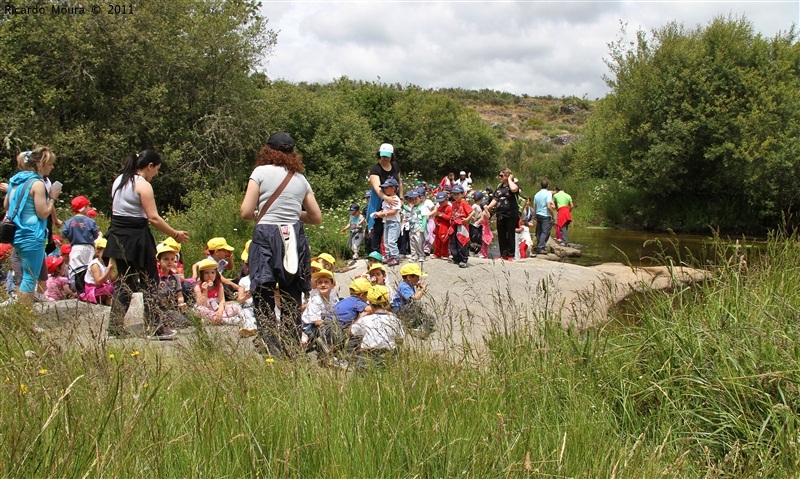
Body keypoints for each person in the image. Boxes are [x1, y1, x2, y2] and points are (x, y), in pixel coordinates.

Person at [239, 132, 322, 357]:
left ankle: (270, 347)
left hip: (266, 234)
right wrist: (293, 213)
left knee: (264, 291)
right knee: (291, 293)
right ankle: (291, 347)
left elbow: (246, 212)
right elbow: (316, 217)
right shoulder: (300, 179)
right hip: (294, 235)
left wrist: (262, 212)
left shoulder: (260, 172)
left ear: (268, 150)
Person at [103, 149, 189, 340]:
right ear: (149, 166)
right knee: (151, 281)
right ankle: (155, 327)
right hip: (137, 237)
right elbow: (153, 218)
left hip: (118, 236)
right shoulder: (142, 185)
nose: (156, 174)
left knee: (126, 283)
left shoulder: (120, 180)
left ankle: (114, 327)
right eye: (156, 169)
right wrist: (175, 234)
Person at [4, 147, 61, 305]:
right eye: (50, 164)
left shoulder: (15, 181)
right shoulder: (37, 184)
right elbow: (43, 213)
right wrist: (52, 198)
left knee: (25, 275)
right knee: (30, 277)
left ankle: (23, 314)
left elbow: (6, 205)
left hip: (17, 232)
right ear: (41, 164)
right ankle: (24, 316)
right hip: (32, 234)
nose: (52, 167)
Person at [351, 285, 405, 368]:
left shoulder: (365, 319)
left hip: (367, 355)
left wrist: (360, 317)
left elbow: (353, 332)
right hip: (388, 356)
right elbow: (400, 339)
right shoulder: (394, 319)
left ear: (370, 303)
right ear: (387, 302)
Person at [366, 143, 402, 255]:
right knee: (378, 227)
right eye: (383, 156)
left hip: (393, 199)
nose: (385, 158)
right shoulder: (375, 169)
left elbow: (400, 183)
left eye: (387, 156)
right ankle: (375, 253)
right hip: (379, 200)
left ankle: (394, 253)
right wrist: (386, 198)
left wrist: (401, 198)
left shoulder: (395, 166)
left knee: (393, 225)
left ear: (391, 155)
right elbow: (377, 188)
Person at [62, 195, 100, 295]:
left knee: (77, 270)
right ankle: (89, 291)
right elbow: (95, 235)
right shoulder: (90, 221)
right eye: (87, 206)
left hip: (75, 247)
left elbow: (64, 234)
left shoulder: (68, 222)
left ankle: (80, 292)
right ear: (83, 207)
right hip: (88, 247)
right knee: (88, 269)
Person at [484, 168, 520, 260]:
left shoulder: (513, 185)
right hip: (500, 213)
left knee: (510, 234)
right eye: (499, 175)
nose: (499, 177)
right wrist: (489, 206)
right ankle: (503, 254)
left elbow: (514, 189)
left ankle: (510, 255)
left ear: (507, 176)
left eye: (502, 175)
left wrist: (509, 179)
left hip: (511, 213)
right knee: (501, 234)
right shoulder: (499, 186)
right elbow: (496, 199)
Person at [153, 243, 190, 329]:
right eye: (166, 259)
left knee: (190, 318)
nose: (170, 262)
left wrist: (181, 303)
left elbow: (179, 294)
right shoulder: (156, 277)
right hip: (160, 308)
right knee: (181, 322)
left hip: (173, 307)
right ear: (158, 261)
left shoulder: (175, 277)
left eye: (172, 259)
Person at [391, 263, 434, 335]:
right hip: (399, 309)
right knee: (418, 304)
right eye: (417, 276)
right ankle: (407, 325)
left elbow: (412, 284)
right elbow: (415, 297)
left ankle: (416, 324)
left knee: (431, 319)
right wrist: (422, 290)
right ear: (409, 277)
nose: (419, 278)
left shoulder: (408, 283)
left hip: (405, 308)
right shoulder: (404, 287)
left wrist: (417, 284)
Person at [194, 258, 240, 324]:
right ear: (202, 275)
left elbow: (222, 301)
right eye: (206, 273)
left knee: (235, 308)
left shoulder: (219, 285)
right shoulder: (198, 287)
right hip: (207, 308)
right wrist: (204, 291)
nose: (210, 275)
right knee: (200, 310)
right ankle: (223, 320)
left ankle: (215, 319)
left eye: (212, 272)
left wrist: (219, 312)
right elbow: (201, 304)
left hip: (217, 308)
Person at [372, 178, 402, 266]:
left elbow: (394, 211)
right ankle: (388, 256)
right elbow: (383, 209)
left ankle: (395, 257)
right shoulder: (385, 200)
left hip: (394, 223)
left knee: (392, 241)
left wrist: (383, 214)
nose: (385, 190)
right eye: (384, 188)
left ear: (393, 188)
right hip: (386, 222)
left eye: (386, 188)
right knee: (386, 241)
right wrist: (378, 213)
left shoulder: (396, 199)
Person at [80, 237, 115, 305]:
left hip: (102, 287)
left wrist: (120, 273)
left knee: (115, 286)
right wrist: (109, 270)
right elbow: (98, 282)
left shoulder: (106, 263)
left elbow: (112, 279)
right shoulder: (95, 264)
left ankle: (108, 302)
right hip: (93, 289)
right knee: (110, 288)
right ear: (98, 253)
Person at [448, 185, 473, 268]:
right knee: (453, 241)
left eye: (457, 194)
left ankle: (463, 259)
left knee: (461, 242)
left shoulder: (464, 203)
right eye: (454, 194)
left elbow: (472, 212)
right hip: (454, 223)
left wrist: (467, 219)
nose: (455, 196)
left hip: (461, 225)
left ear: (462, 194)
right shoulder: (454, 203)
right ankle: (456, 257)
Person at [533, 180, 557, 255]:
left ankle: (539, 246)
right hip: (545, 215)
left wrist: (535, 215)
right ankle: (541, 247)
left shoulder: (536, 194)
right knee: (545, 232)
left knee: (539, 232)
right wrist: (553, 215)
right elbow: (549, 206)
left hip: (538, 214)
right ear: (548, 186)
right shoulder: (548, 194)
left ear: (540, 186)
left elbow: (534, 206)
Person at [431, 191, 452, 260]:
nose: (440, 203)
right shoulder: (439, 207)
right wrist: (436, 220)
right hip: (438, 227)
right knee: (437, 242)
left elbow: (450, 218)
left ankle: (445, 254)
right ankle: (437, 253)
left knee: (444, 241)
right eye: (439, 202)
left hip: (445, 227)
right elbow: (436, 216)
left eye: (442, 202)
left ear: (447, 200)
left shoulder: (449, 208)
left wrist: (442, 215)